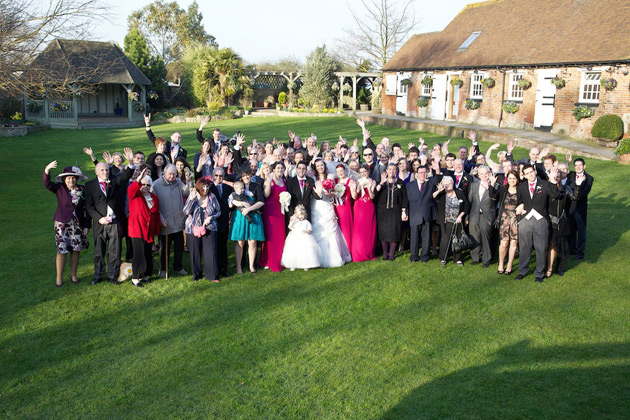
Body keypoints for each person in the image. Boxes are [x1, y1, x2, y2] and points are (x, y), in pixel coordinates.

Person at [84, 148, 135, 285]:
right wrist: (99, 218)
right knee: (99, 251)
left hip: (115, 222)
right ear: (96, 172)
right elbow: (89, 206)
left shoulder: (114, 181)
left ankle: (113, 275)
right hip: (100, 223)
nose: (105, 172)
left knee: (115, 250)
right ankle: (98, 275)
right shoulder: (89, 186)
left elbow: (125, 177)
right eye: (102, 170)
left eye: (107, 170)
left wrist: (130, 162)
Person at [43, 162, 90, 287]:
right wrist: (47, 169)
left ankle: (73, 274)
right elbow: (47, 184)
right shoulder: (60, 188)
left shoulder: (83, 190)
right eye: (68, 178)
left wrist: (87, 225)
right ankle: (59, 277)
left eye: (74, 177)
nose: (71, 180)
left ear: (77, 178)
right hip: (62, 223)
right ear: (64, 179)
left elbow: (88, 209)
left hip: (77, 224)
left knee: (76, 249)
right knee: (62, 250)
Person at [515, 164, 558, 282]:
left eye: (531, 172)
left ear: (535, 171)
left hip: (541, 219)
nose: (530, 175)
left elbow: (555, 194)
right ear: (524, 175)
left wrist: (553, 180)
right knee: (524, 247)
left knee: (541, 247)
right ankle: (522, 271)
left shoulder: (544, 184)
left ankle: (539, 273)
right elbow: (519, 203)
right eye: (527, 173)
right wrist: (520, 219)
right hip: (526, 219)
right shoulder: (521, 187)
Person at [310, 158, 352, 267]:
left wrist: (331, 193)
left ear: (324, 165)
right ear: (315, 167)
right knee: (320, 230)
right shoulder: (313, 178)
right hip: (318, 206)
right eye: (318, 166)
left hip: (328, 205)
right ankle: (319, 257)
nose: (320, 167)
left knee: (332, 229)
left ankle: (335, 257)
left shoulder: (331, 177)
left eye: (321, 165)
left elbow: (335, 191)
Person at [152, 164, 190, 278]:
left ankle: (178, 267)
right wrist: (161, 219)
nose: (172, 176)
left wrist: (189, 181)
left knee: (179, 247)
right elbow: (154, 205)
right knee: (165, 248)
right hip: (166, 223)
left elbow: (187, 191)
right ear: (164, 173)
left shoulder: (177, 181)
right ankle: (163, 269)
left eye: (174, 174)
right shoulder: (156, 185)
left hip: (178, 221)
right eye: (170, 174)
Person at [127, 169, 160, 287]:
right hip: (137, 229)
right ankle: (135, 277)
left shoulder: (154, 198)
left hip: (149, 230)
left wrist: (156, 231)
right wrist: (139, 178)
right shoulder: (135, 195)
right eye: (143, 184)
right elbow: (130, 190)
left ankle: (144, 275)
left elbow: (156, 215)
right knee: (138, 254)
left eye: (148, 185)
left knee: (147, 253)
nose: (145, 187)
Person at [546, 162, 581, 277]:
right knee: (550, 245)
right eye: (555, 176)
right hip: (549, 221)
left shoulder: (565, 188)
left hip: (561, 221)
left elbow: (575, 197)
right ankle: (548, 268)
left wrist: (578, 186)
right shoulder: (547, 188)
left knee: (562, 246)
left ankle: (560, 268)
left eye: (558, 176)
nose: (556, 178)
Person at [184, 178, 221, 282]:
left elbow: (218, 211)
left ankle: (212, 275)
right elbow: (186, 211)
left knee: (211, 252)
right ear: (198, 187)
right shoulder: (193, 197)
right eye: (203, 186)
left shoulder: (212, 197)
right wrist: (191, 199)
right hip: (192, 228)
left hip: (209, 227)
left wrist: (211, 217)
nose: (205, 189)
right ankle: (196, 275)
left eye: (207, 186)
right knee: (195, 252)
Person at [230, 169, 265, 274]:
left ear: (251, 176)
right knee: (240, 241)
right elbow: (231, 199)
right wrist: (237, 203)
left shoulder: (256, 186)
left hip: (253, 214)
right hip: (240, 217)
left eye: (248, 175)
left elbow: (261, 202)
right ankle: (238, 266)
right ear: (241, 177)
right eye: (244, 176)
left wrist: (248, 209)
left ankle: (251, 266)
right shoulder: (237, 186)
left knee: (253, 241)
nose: (246, 177)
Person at [406, 164, 440, 263]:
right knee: (414, 237)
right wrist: (405, 212)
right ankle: (414, 256)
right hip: (414, 214)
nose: (422, 174)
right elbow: (406, 200)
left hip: (427, 214)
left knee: (426, 237)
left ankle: (424, 256)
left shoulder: (430, 183)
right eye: (420, 172)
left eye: (424, 172)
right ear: (416, 174)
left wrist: (437, 170)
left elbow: (437, 179)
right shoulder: (410, 185)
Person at [375, 163, 409, 260]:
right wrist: (381, 183)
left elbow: (404, 198)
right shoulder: (382, 183)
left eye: (394, 170)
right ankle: (385, 253)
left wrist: (403, 211)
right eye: (389, 169)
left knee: (394, 231)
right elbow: (376, 192)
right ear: (386, 171)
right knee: (383, 231)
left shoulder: (400, 183)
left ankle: (392, 254)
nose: (391, 171)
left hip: (395, 211)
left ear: (396, 171)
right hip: (383, 211)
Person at [467, 166, 499, 268]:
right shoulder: (474, 185)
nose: (484, 176)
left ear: (490, 173)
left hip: (487, 215)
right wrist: (467, 216)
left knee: (486, 237)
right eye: (481, 174)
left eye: (486, 173)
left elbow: (495, 199)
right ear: (478, 175)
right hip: (474, 214)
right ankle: (475, 258)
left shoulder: (496, 185)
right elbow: (470, 201)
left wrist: (490, 187)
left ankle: (487, 259)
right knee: (474, 236)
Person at [259, 162, 287, 272]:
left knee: (280, 236)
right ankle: (269, 261)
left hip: (281, 212)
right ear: (273, 169)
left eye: (282, 168)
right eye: (278, 168)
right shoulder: (269, 180)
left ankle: (279, 259)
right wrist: (269, 180)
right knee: (271, 236)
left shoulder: (284, 181)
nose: (280, 170)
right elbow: (266, 195)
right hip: (270, 211)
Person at [434, 176, 467, 267]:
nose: (448, 186)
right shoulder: (442, 194)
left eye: (449, 183)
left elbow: (466, 205)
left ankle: (458, 258)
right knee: (445, 239)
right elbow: (432, 198)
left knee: (457, 239)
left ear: (453, 184)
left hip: (457, 220)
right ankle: (443, 257)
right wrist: (439, 190)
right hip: (445, 220)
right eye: (445, 184)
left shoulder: (459, 193)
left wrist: (460, 216)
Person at [567, 158, 593, 260]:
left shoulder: (589, 179)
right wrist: (568, 163)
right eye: (576, 165)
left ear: (584, 166)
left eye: (580, 165)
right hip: (570, 207)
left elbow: (582, 194)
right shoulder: (571, 175)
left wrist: (578, 186)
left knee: (581, 230)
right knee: (571, 229)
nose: (578, 167)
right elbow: (564, 173)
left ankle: (580, 252)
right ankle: (571, 249)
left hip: (580, 208)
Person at [281, 205, 322, 271]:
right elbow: (290, 227)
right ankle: (292, 264)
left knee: (305, 251)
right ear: (296, 215)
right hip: (295, 237)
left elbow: (310, 230)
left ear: (304, 215)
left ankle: (305, 264)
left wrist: (306, 231)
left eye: (302, 215)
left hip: (304, 237)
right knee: (294, 250)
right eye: (299, 215)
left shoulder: (306, 222)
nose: (300, 217)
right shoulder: (295, 222)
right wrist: (293, 220)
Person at [496, 170, 520, 275]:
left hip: (516, 219)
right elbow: (493, 196)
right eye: (510, 178)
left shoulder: (521, 190)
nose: (512, 180)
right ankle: (501, 263)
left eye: (514, 178)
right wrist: (492, 184)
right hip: (504, 219)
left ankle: (509, 265)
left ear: (517, 179)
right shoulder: (503, 189)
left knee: (514, 242)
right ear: (507, 179)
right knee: (504, 242)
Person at [351, 164, 377, 262]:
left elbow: (372, 196)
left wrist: (369, 188)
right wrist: (355, 188)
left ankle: (369, 252)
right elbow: (355, 196)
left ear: (368, 172)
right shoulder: (357, 181)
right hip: (359, 207)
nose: (363, 174)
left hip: (369, 206)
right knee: (359, 231)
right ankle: (358, 253)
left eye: (364, 172)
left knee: (369, 229)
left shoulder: (372, 181)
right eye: (361, 172)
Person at [210, 167, 233, 277]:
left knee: (223, 246)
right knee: (214, 247)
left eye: (221, 176)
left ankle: (224, 269)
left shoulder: (228, 188)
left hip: (224, 221)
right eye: (216, 175)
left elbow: (231, 204)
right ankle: (214, 270)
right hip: (212, 221)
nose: (219, 178)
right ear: (213, 176)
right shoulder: (209, 188)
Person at [334, 164, 355, 254]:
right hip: (336, 206)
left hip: (345, 206)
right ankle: (339, 251)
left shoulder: (350, 181)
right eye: (338, 172)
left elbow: (354, 195)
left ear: (345, 171)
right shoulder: (335, 181)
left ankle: (348, 250)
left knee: (346, 228)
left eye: (341, 171)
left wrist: (353, 188)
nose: (340, 173)